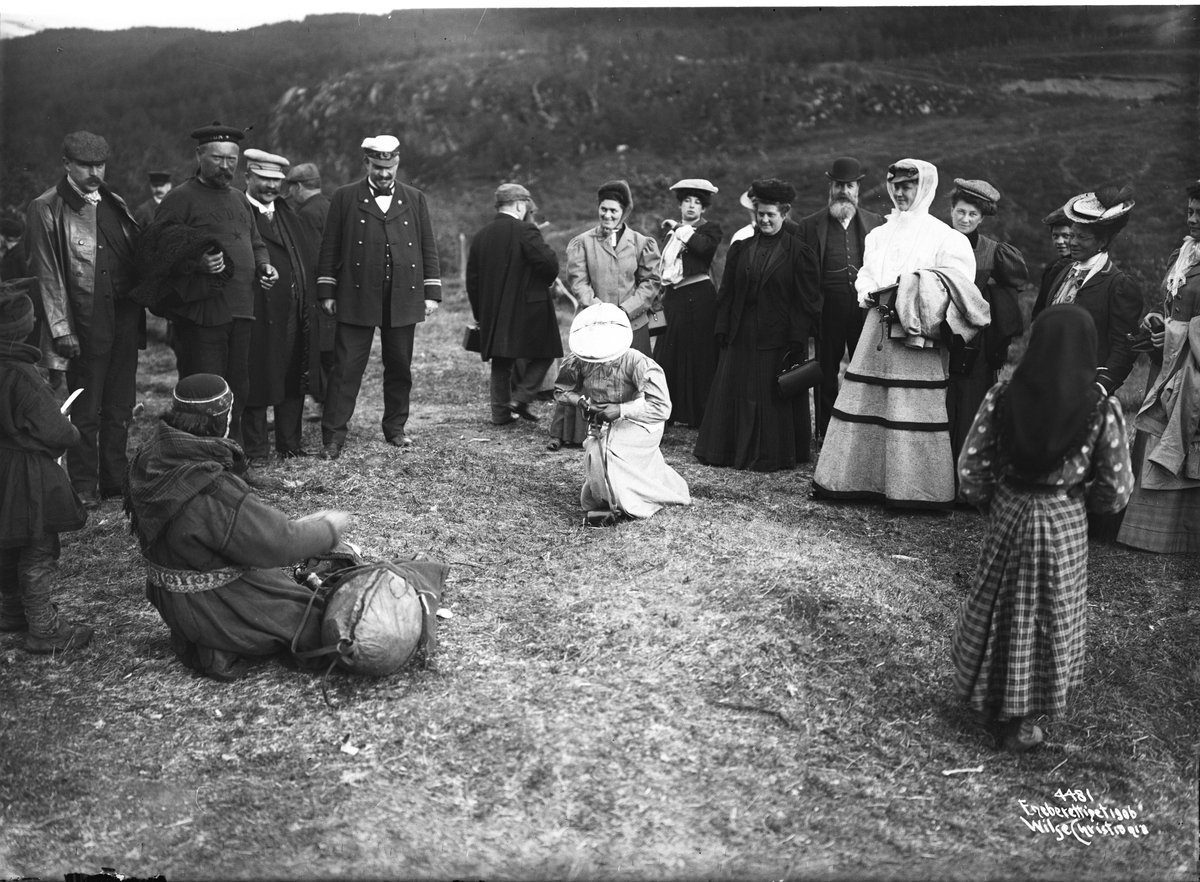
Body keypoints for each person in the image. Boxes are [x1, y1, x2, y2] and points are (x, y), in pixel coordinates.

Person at [951, 305, 1133, 752]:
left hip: (1010, 506)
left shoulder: (1002, 395)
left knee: (1001, 604)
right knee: (1050, 613)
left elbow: (971, 467)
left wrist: (994, 501)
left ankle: (991, 701)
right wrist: (1081, 506)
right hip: (1063, 515)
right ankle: (1025, 721)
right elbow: (1116, 486)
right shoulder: (1100, 408)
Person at [123, 373, 349, 682]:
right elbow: (280, 542)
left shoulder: (149, 459)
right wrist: (328, 529)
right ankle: (220, 643)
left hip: (169, 600)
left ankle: (205, 639)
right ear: (220, 419)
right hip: (213, 605)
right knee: (322, 621)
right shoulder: (210, 487)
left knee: (280, 582)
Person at [812, 159, 987, 508]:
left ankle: (913, 489)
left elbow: (958, 284)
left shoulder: (945, 237)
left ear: (924, 189)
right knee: (868, 403)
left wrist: (914, 288)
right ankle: (859, 480)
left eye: (908, 186)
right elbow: (865, 272)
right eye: (895, 185)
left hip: (915, 336)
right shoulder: (879, 233)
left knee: (910, 406)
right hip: (876, 328)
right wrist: (867, 290)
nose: (900, 192)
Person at [25, 131, 144, 506]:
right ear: (67, 164)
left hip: (124, 317)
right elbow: (47, 273)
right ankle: (82, 485)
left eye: (100, 165)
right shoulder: (46, 207)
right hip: (84, 322)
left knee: (120, 405)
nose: (95, 172)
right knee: (85, 407)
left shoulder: (114, 201)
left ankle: (115, 481)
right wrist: (61, 328)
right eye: (86, 165)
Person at [151, 122, 279, 453]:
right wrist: (196, 265)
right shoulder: (180, 199)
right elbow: (155, 253)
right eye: (217, 158)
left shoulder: (239, 199)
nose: (226, 167)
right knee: (202, 392)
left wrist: (264, 265)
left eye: (231, 160)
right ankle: (196, 462)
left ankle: (230, 462)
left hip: (241, 311)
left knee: (237, 387)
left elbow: (255, 241)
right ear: (199, 155)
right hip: (202, 315)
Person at [317, 135, 442, 458]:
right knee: (346, 368)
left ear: (397, 163)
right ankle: (333, 437)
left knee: (400, 366)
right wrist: (327, 290)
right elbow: (329, 247)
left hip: (402, 296)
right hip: (356, 296)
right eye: (377, 167)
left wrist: (431, 292)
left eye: (390, 167)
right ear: (366, 163)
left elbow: (427, 245)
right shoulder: (345, 197)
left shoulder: (414, 198)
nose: (384, 173)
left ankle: (396, 428)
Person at [693, 178, 822, 472]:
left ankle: (768, 454)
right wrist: (723, 327)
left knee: (769, 394)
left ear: (785, 213)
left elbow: (807, 301)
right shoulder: (741, 248)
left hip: (777, 336)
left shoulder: (798, 252)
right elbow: (727, 293)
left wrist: (797, 338)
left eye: (770, 215)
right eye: (760, 214)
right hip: (741, 333)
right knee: (736, 389)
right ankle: (729, 450)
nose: (764, 219)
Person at [0, 284, 91, 653]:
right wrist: (70, 430)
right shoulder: (23, 375)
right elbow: (55, 431)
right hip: (27, 476)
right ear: (21, 329)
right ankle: (44, 628)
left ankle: (10, 613)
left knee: (6, 543)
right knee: (38, 548)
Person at [1117, 180, 1200, 553]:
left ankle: (1183, 536)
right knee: (1155, 429)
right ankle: (1144, 532)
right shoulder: (1181, 254)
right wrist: (1157, 321)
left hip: (1192, 370)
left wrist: (1174, 334)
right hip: (1166, 364)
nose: (1194, 220)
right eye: (1190, 211)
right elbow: (1170, 308)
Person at [554, 303, 690, 524]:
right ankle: (608, 502)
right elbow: (561, 391)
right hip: (602, 419)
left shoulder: (638, 362)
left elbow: (661, 408)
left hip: (640, 418)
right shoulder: (580, 359)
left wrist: (620, 410)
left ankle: (629, 503)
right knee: (595, 451)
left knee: (610, 450)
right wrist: (582, 402)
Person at [795, 158, 885, 442]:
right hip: (827, 310)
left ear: (858, 188)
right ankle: (825, 432)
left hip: (862, 310)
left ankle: (861, 433)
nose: (843, 190)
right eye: (838, 185)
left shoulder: (876, 223)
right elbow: (802, 275)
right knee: (825, 371)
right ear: (830, 187)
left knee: (863, 371)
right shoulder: (810, 225)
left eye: (849, 185)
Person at [240, 149, 321, 465]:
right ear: (248, 177)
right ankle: (256, 450)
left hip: (295, 313)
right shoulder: (242, 212)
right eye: (263, 179)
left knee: (292, 376)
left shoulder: (288, 214)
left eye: (276, 180)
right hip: (259, 313)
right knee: (257, 378)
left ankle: (290, 444)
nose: (270, 186)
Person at [944, 179, 1028, 469]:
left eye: (973, 215)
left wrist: (988, 297)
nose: (965, 219)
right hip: (939, 339)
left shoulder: (994, 252)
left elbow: (1015, 285)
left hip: (975, 345)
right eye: (961, 212)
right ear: (951, 209)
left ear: (982, 218)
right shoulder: (935, 241)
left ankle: (965, 480)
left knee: (969, 405)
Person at [466, 182, 563, 426]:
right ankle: (520, 399)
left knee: (502, 359)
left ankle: (500, 414)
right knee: (547, 353)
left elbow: (473, 282)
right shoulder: (526, 231)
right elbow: (549, 264)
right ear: (521, 205)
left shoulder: (480, 236)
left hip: (494, 313)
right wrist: (546, 280)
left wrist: (481, 315)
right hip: (530, 309)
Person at [1040, 186, 1141, 397]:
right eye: (1072, 235)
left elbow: (1124, 346)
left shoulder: (1118, 285)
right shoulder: (1062, 271)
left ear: (1102, 242)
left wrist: (1101, 386)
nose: (1072, 243)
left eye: (1082, 237)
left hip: (1085, 390)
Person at [654, 178, 724, 428]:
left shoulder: (710, 229)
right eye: (687, 201)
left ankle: (700, 414)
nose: (691, 206)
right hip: (674, 297)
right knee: (668, 352)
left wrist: (681, 230)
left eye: (697, 202)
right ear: (680, 205)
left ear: (703, 208)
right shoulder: (671, 233)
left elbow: (704, 249)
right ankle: (668, 411)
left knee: (700, 354)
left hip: (699, 295)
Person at [566, 180, 661, 357]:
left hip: (633, 325)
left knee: (632, 375)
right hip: (594, 325)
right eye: (603, 209)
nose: (607, 215)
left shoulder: (641, 243)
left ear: (624, 212)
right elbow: (578, 283)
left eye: (613, 210)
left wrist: (625, 310)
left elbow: (650, 282)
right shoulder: (582, 243)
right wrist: (600, 311)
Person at [284, 162, 335, 404]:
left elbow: (311, 260)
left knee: (320, 353)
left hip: (318, 295)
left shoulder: (306, 213)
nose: (289, 194)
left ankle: (325, 404)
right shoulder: (329, 206)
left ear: (299, 187)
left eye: (290, 187)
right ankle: (330, 403)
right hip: (335, 292)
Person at [1031, 204, 1074, 319]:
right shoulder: (1051, 268)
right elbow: (1040, 308)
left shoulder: (1085, 267)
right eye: (1055, 236)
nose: (1059, 241)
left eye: (1065, 236)